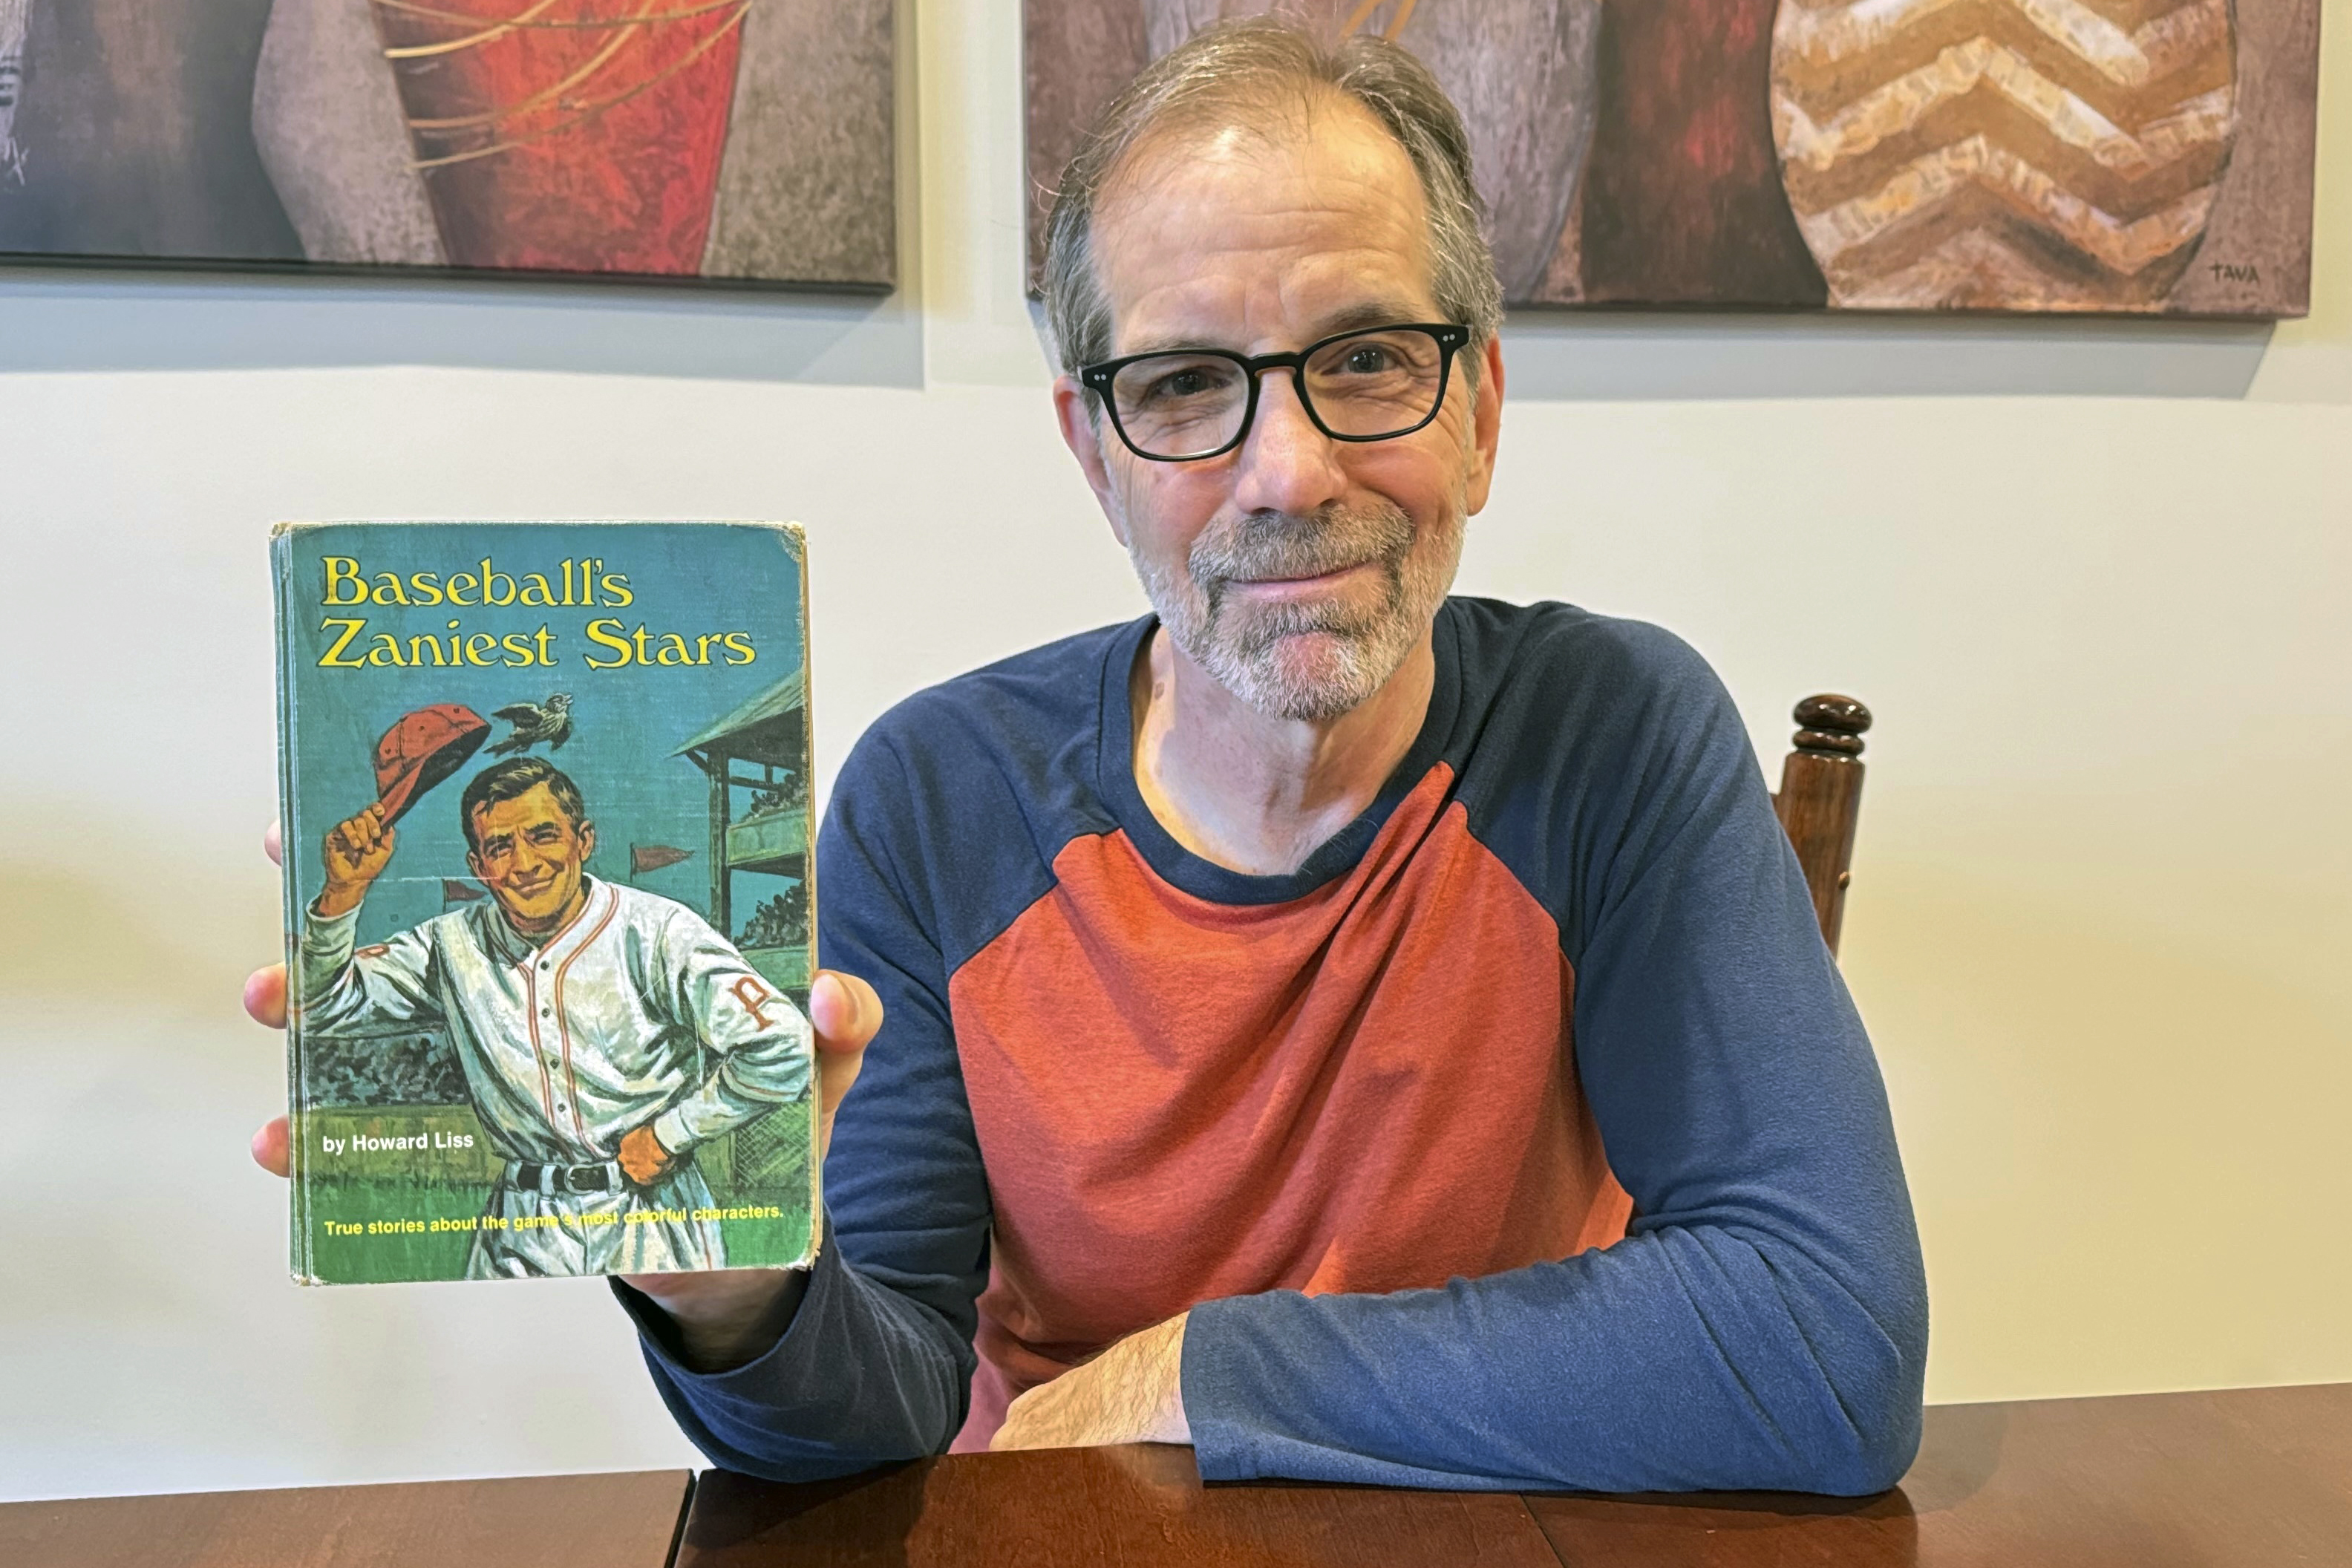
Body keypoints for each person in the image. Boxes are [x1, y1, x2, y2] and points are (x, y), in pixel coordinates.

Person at [250, 18, 1924, 1491]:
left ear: (1480, 408)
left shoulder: (1612, 737)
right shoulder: (936, 804)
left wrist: (1190, 1372)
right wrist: (728, 1281)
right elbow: (879, 1415)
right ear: (1094, 452)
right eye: (1189, 386)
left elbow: (1822, 1339)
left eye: (1364, 361)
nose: (1285, 469)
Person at [293, 756, 814, 1277]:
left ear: (583, 840)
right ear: (478, 866)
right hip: (521, 1220)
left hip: (649, 1213)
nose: (524, 863)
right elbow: (315, 1009)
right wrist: (343, 893)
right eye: (500, 846)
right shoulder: (449, 944)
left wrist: (671, 1133)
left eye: (543, 835)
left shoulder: (657, 931)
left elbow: (787, 1045)